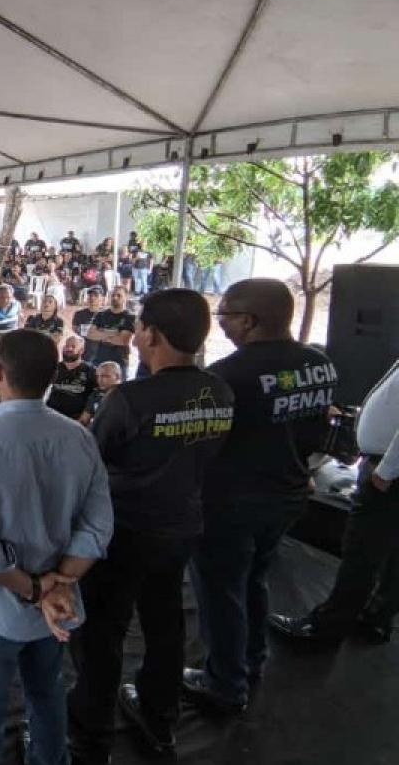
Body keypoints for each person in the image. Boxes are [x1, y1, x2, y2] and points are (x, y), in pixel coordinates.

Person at [69, 289, 234, 765]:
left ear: (153, 335)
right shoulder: (220, 392)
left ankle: (90, 743)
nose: (135, 333)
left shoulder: (129, 399)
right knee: (166, 625)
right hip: (182, 528)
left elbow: (89, 464)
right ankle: (160, 721)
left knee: (102, 636)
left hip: (123, 534)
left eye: (139, 326)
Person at [0, 329, 113, 765]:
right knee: (47, 692)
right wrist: (59, 584)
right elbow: (99, 526)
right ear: (55, 376)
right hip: (58, 608)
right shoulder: (79, 438)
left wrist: (36, 589)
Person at [168, 279, 334, 712]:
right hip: (288, 494)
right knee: (254, 580)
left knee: (220, 593)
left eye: (224, 316)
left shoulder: (227, 376)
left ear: (248, 320)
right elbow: (316, 434)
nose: (220, 325)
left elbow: (201, 444)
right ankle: (252, 659)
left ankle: (224, 684)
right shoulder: (319, 364)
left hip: (231, 504)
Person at [268, 351, 397, 644]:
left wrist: (387, 469)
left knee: (362, 550)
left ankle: (327, 627)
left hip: (387, 470)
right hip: (385, 464)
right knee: (389, 549)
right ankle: (376, 616)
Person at [46, 336, 97, 422]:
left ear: (81, 350)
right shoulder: (55, 367)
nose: (69, 348)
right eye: (67, 345)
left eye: (73, 346)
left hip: (76, 419)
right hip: (51, 415)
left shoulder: (91, 371)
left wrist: (85, 416)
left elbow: (96, 396)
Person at [88, 287, 135, 378]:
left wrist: (101, 332)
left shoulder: (130, 317)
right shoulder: (100, 314)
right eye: (113, 295)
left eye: (119, 295)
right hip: (99, 360)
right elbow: (91, 334)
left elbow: (123, 340)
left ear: (126, 297)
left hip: (120, 362)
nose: (115, 297)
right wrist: (115, 333)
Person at [79, 363, 121, 428]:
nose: (100, 380)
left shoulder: (125, 396)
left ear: (117, 377)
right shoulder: (96, 394)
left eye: (105, 376)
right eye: (98, 376)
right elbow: (84, 420)